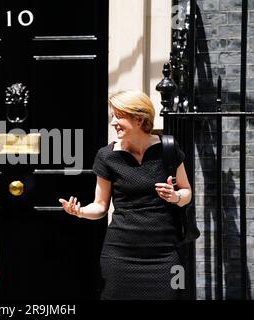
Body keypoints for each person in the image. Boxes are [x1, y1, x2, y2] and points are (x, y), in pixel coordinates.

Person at [59, 90, 192, 300]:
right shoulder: (107, 156)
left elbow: (187, 192)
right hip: (120, 254)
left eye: (118, 116)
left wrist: (175, 196)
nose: (113, 123)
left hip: (165, 253)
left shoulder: (168, 148)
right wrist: (81, 211)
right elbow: (101, 206)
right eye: (113, 116)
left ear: (139, 119)